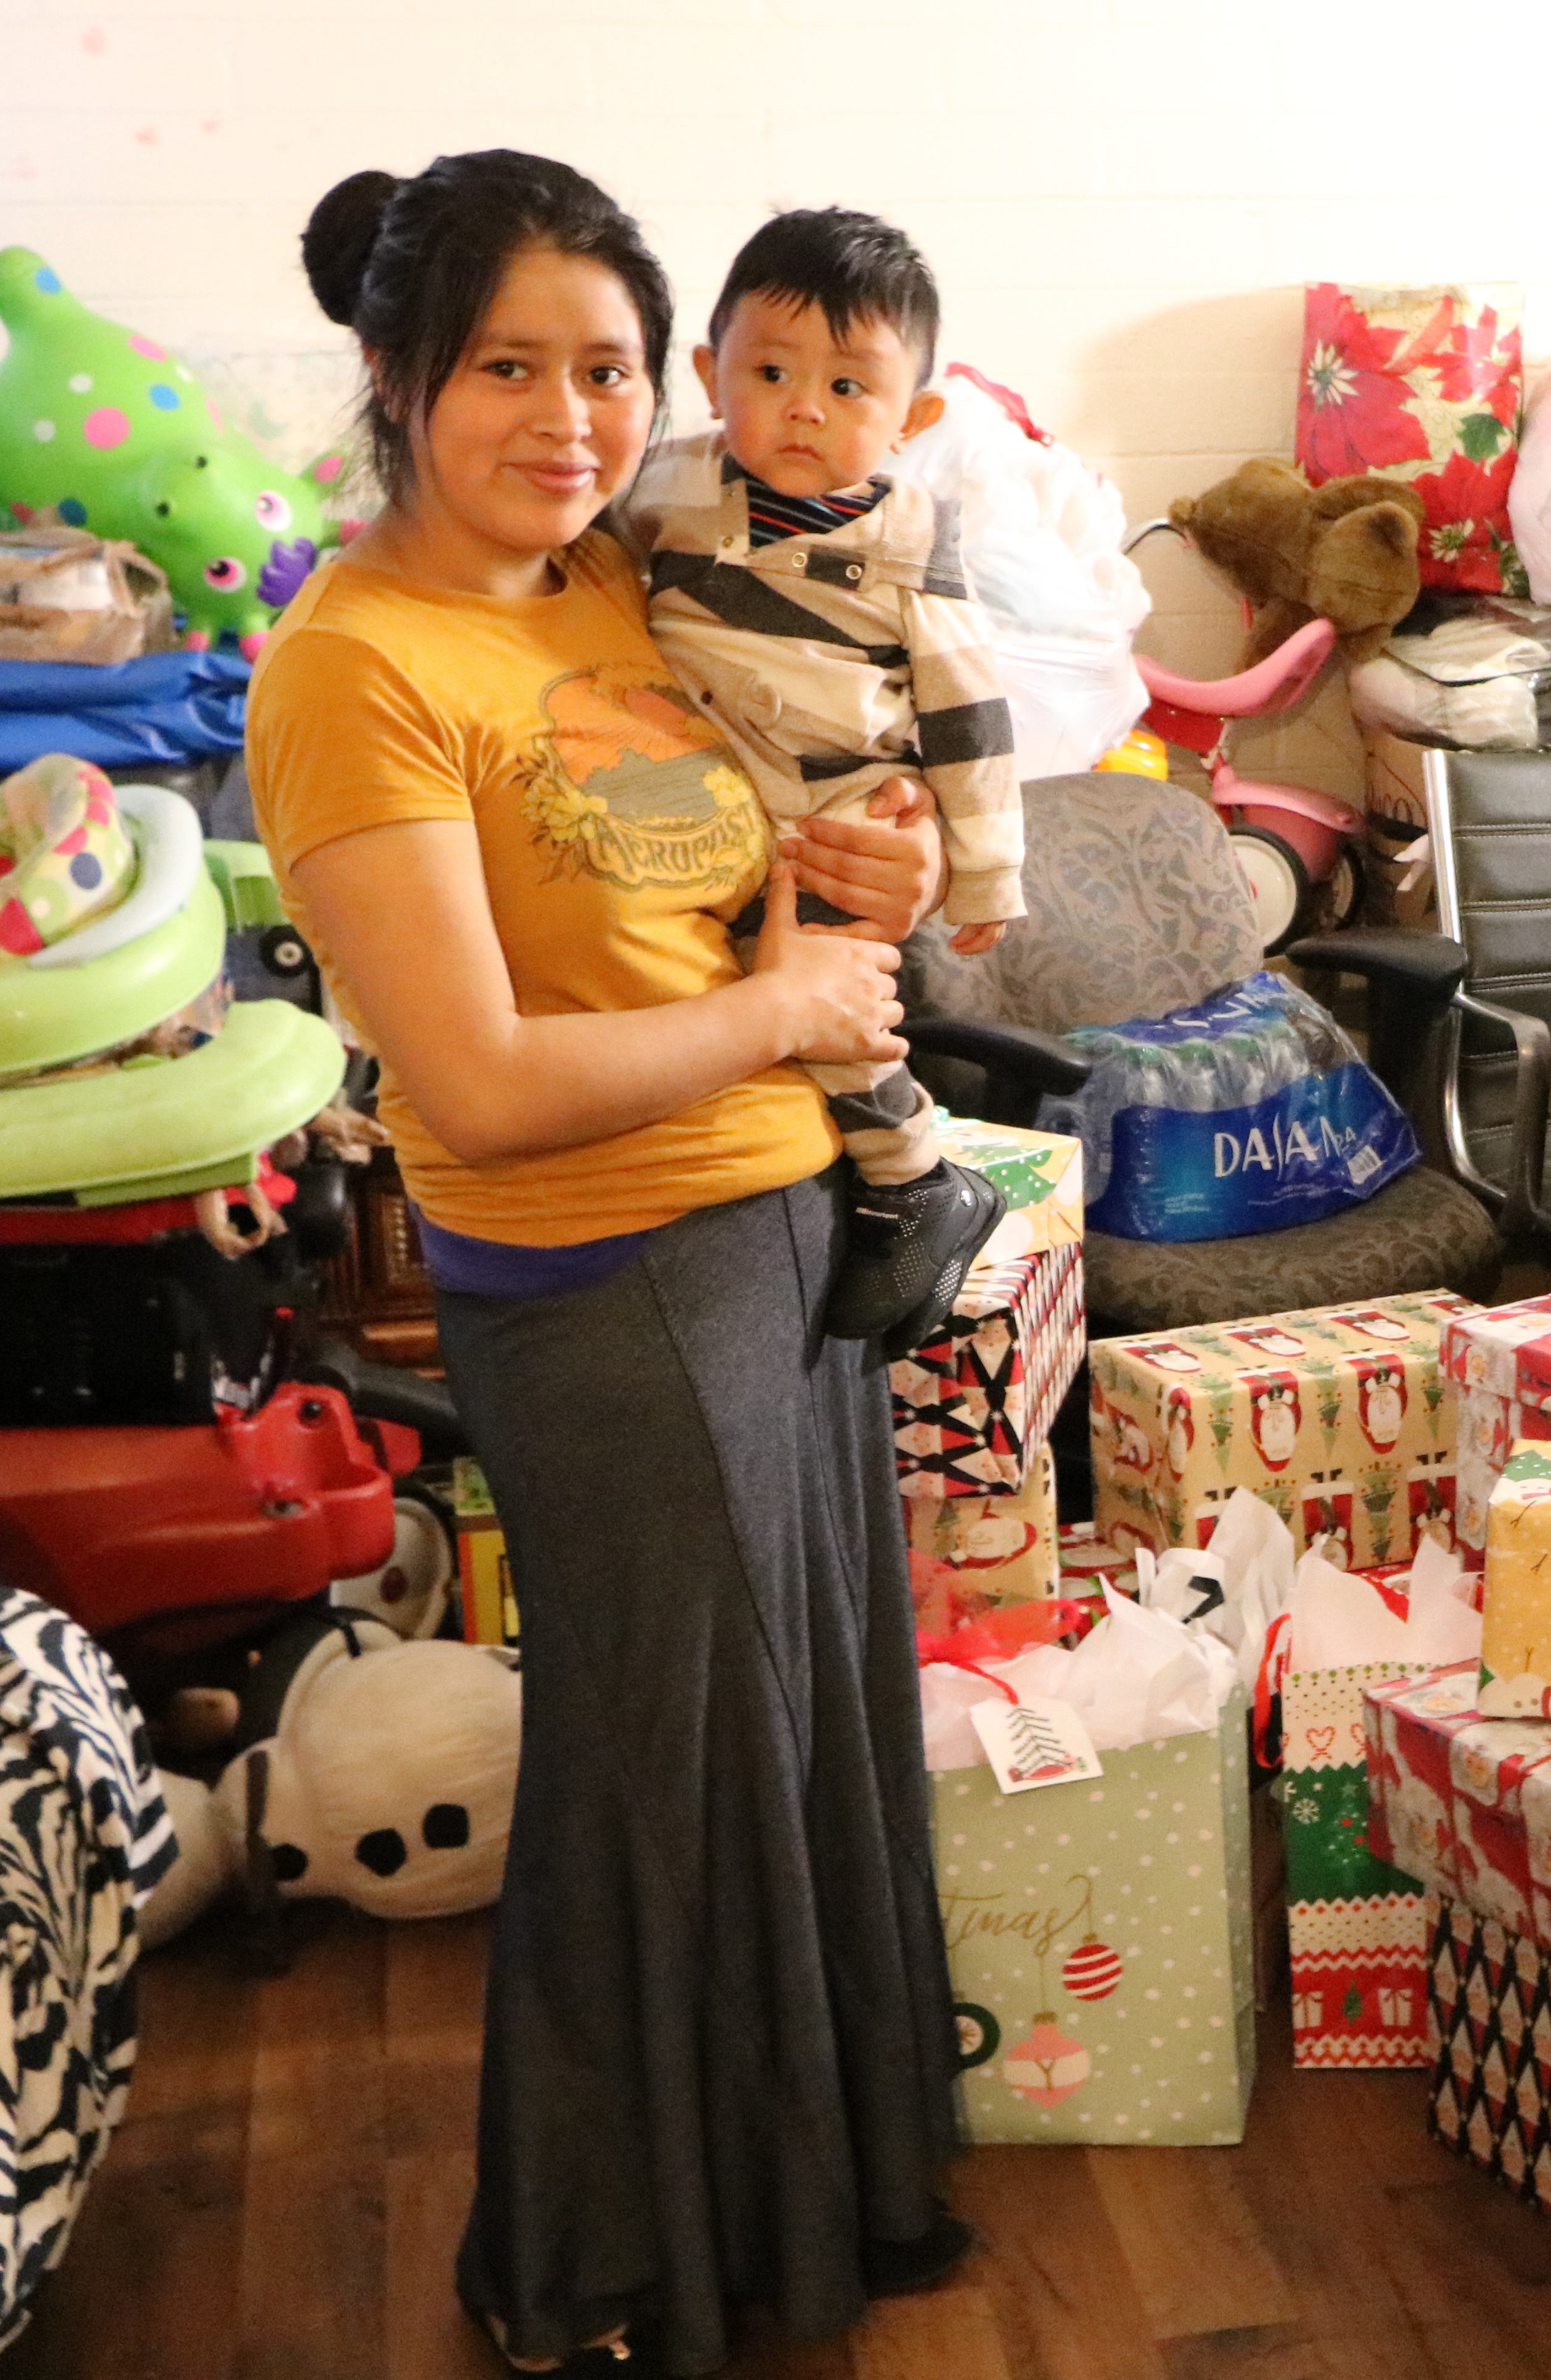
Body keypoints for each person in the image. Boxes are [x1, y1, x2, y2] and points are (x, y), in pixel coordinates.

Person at [241, 148, 969, 2377]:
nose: (568, 417)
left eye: (607, 369)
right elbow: (464, 1081)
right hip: (608, 1277)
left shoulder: (609, 586)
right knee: (660, 1775)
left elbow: (731, 895)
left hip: (780, 1232)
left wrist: (873, 867)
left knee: (795, 1740)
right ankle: (584, 2262)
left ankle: (804, 2212)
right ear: (394, 376)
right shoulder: (355, 668)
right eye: (506, 368)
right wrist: (779, 1014)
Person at [623, 210, 1016, 1348]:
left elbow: (967, 705)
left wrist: (984, 870)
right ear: (709, 374)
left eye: (851, 388)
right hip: (705, 800)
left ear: (915, 417)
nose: (805, 407)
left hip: (842, 808)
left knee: (836, 1016)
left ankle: (915, 1178)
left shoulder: (909, 536)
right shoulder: (661, 492)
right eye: (772, 371)